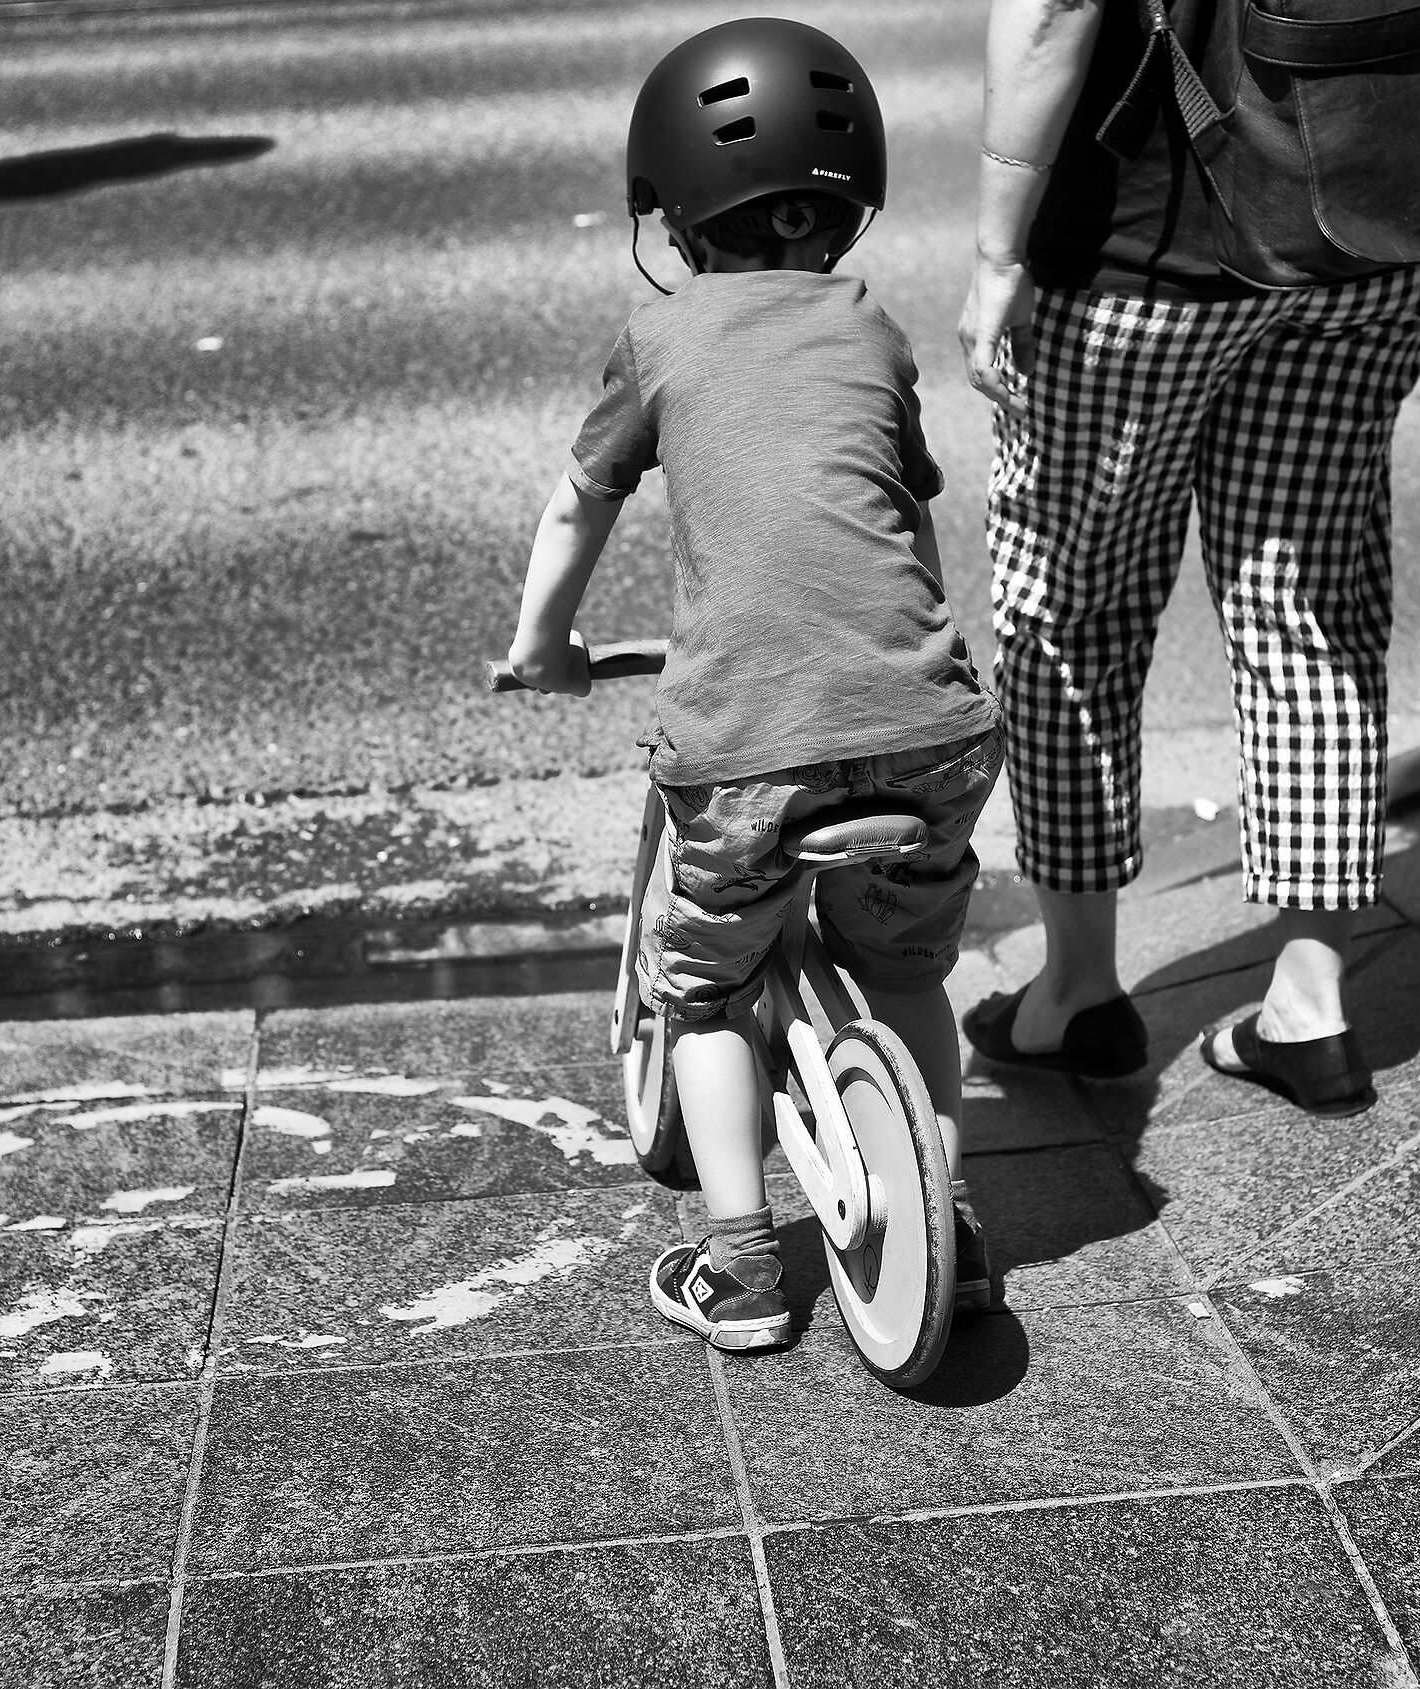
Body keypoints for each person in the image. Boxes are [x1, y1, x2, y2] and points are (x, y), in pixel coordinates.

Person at [507, 18, 1002, 1351]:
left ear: (664, 205)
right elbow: (902, 519)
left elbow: (578, 510)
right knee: (903, 973)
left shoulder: (659, 338)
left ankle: (740, 1267)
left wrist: (542, 650)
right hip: (936, 731)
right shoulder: (868, 326)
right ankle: (946, 1216)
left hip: (745, 755)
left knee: (705, 992)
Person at [954, 0, 1420, 1117]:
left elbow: (1056, 10)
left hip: (1142, 260)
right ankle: (1309, 999)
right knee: (1312, 602)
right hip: (1368, 223)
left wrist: (998, 252)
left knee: (1071, 615)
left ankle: (1079, 990)